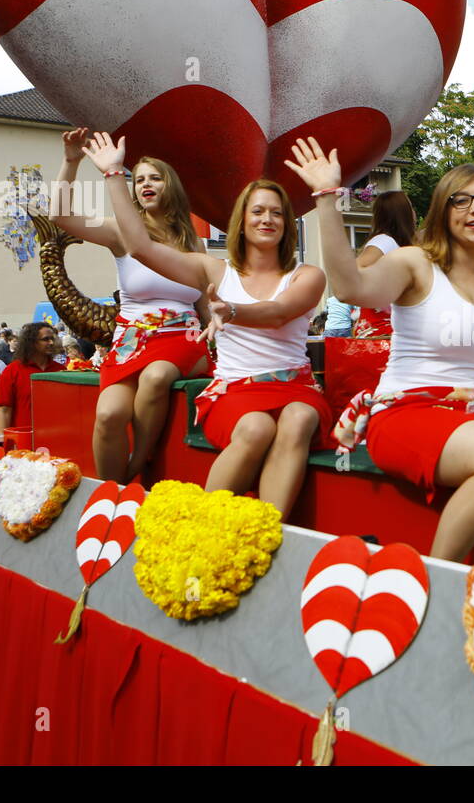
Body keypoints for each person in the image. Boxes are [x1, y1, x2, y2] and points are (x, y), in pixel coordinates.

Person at [297, 139, 474, 571]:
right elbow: (349, 288)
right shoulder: (415, 264)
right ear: (443, 210)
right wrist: (327, 199)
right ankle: (432, 579)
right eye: (461, 201)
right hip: (410, 408)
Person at [87, 132, 330, 516]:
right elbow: (140, 247)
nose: (267, 218)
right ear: (242, 221)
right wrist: (115, 174)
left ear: (287, 223)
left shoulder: (307, 274)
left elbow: (279, 312)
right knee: (256, 429)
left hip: (295, 387)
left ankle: (269, 531)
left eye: (277, 212)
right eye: (258, 211)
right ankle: (203, 523)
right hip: (236, 391)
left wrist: (233, 312)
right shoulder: (212, 269)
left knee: (299, 418)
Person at [51, 127, 212, 482]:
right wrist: (70, 161)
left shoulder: (194, 244)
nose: (145, 184)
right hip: (130, 343)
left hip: (182, 339)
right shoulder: (122, 231)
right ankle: (112, 493)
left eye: (155, 177)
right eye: (138, 179)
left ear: (171, 185)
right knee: (108, 416)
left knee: (156, 377)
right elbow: (61, 217)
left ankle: (138, 465)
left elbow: (204, 306)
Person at [354, 190, 417, 338]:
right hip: (380, 332)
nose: (414, 212)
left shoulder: (393, 243)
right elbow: (357, 268)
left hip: (384, 331)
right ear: (403, 213)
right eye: (411, 207)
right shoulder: (385, 241)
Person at [0, 322, 65, 435]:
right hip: (23, 440)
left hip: (55, 437)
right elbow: (4, 411)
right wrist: (3, 443)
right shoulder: (12, 370)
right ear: (31, 342)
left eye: (52, 339)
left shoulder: (61, 371)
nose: (51, 342)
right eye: (45, 339)